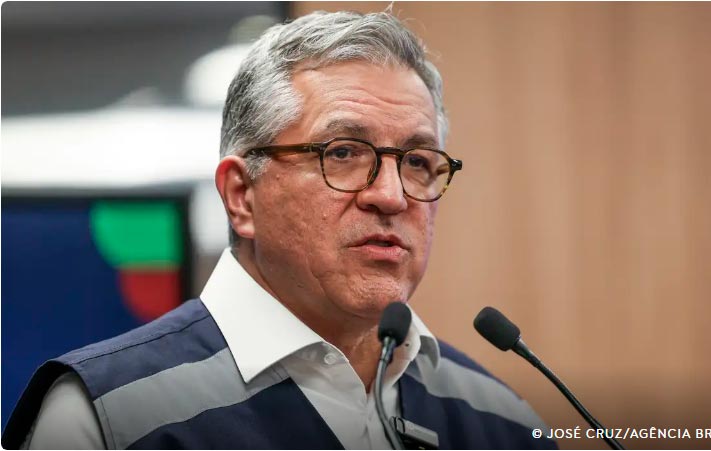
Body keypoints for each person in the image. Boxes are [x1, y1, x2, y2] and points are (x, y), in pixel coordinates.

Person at [3, 11, 555, 450]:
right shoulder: (108, 417)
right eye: (343, 153)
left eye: (416, 161)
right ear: (241, 196)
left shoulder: (502, 422)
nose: (391, 196)